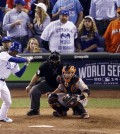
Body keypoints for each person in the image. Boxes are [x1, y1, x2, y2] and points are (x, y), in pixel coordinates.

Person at [0, 41, 33, 123]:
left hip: (3, 83)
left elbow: (18, 74)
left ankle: (2, 117)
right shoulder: (3, 54)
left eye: (17, 51)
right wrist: (26, 59)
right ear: (12, 49)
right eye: (16, 51)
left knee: (8, 101)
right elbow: (13, 59)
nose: (16, 52)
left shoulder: (15, 61)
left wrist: (26, 65)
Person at [26, 51, 64, 116]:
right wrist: (30, 85)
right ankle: (35, 110)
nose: (54, 61)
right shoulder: (44, 65)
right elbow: (37, 75)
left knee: (70, 93)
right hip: (48, 84)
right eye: (53, 60)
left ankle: (72, 109)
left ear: (59, 60)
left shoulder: (63, 66)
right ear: (49, 59)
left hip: (61, 86)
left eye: (56, 60)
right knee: (34, 90)